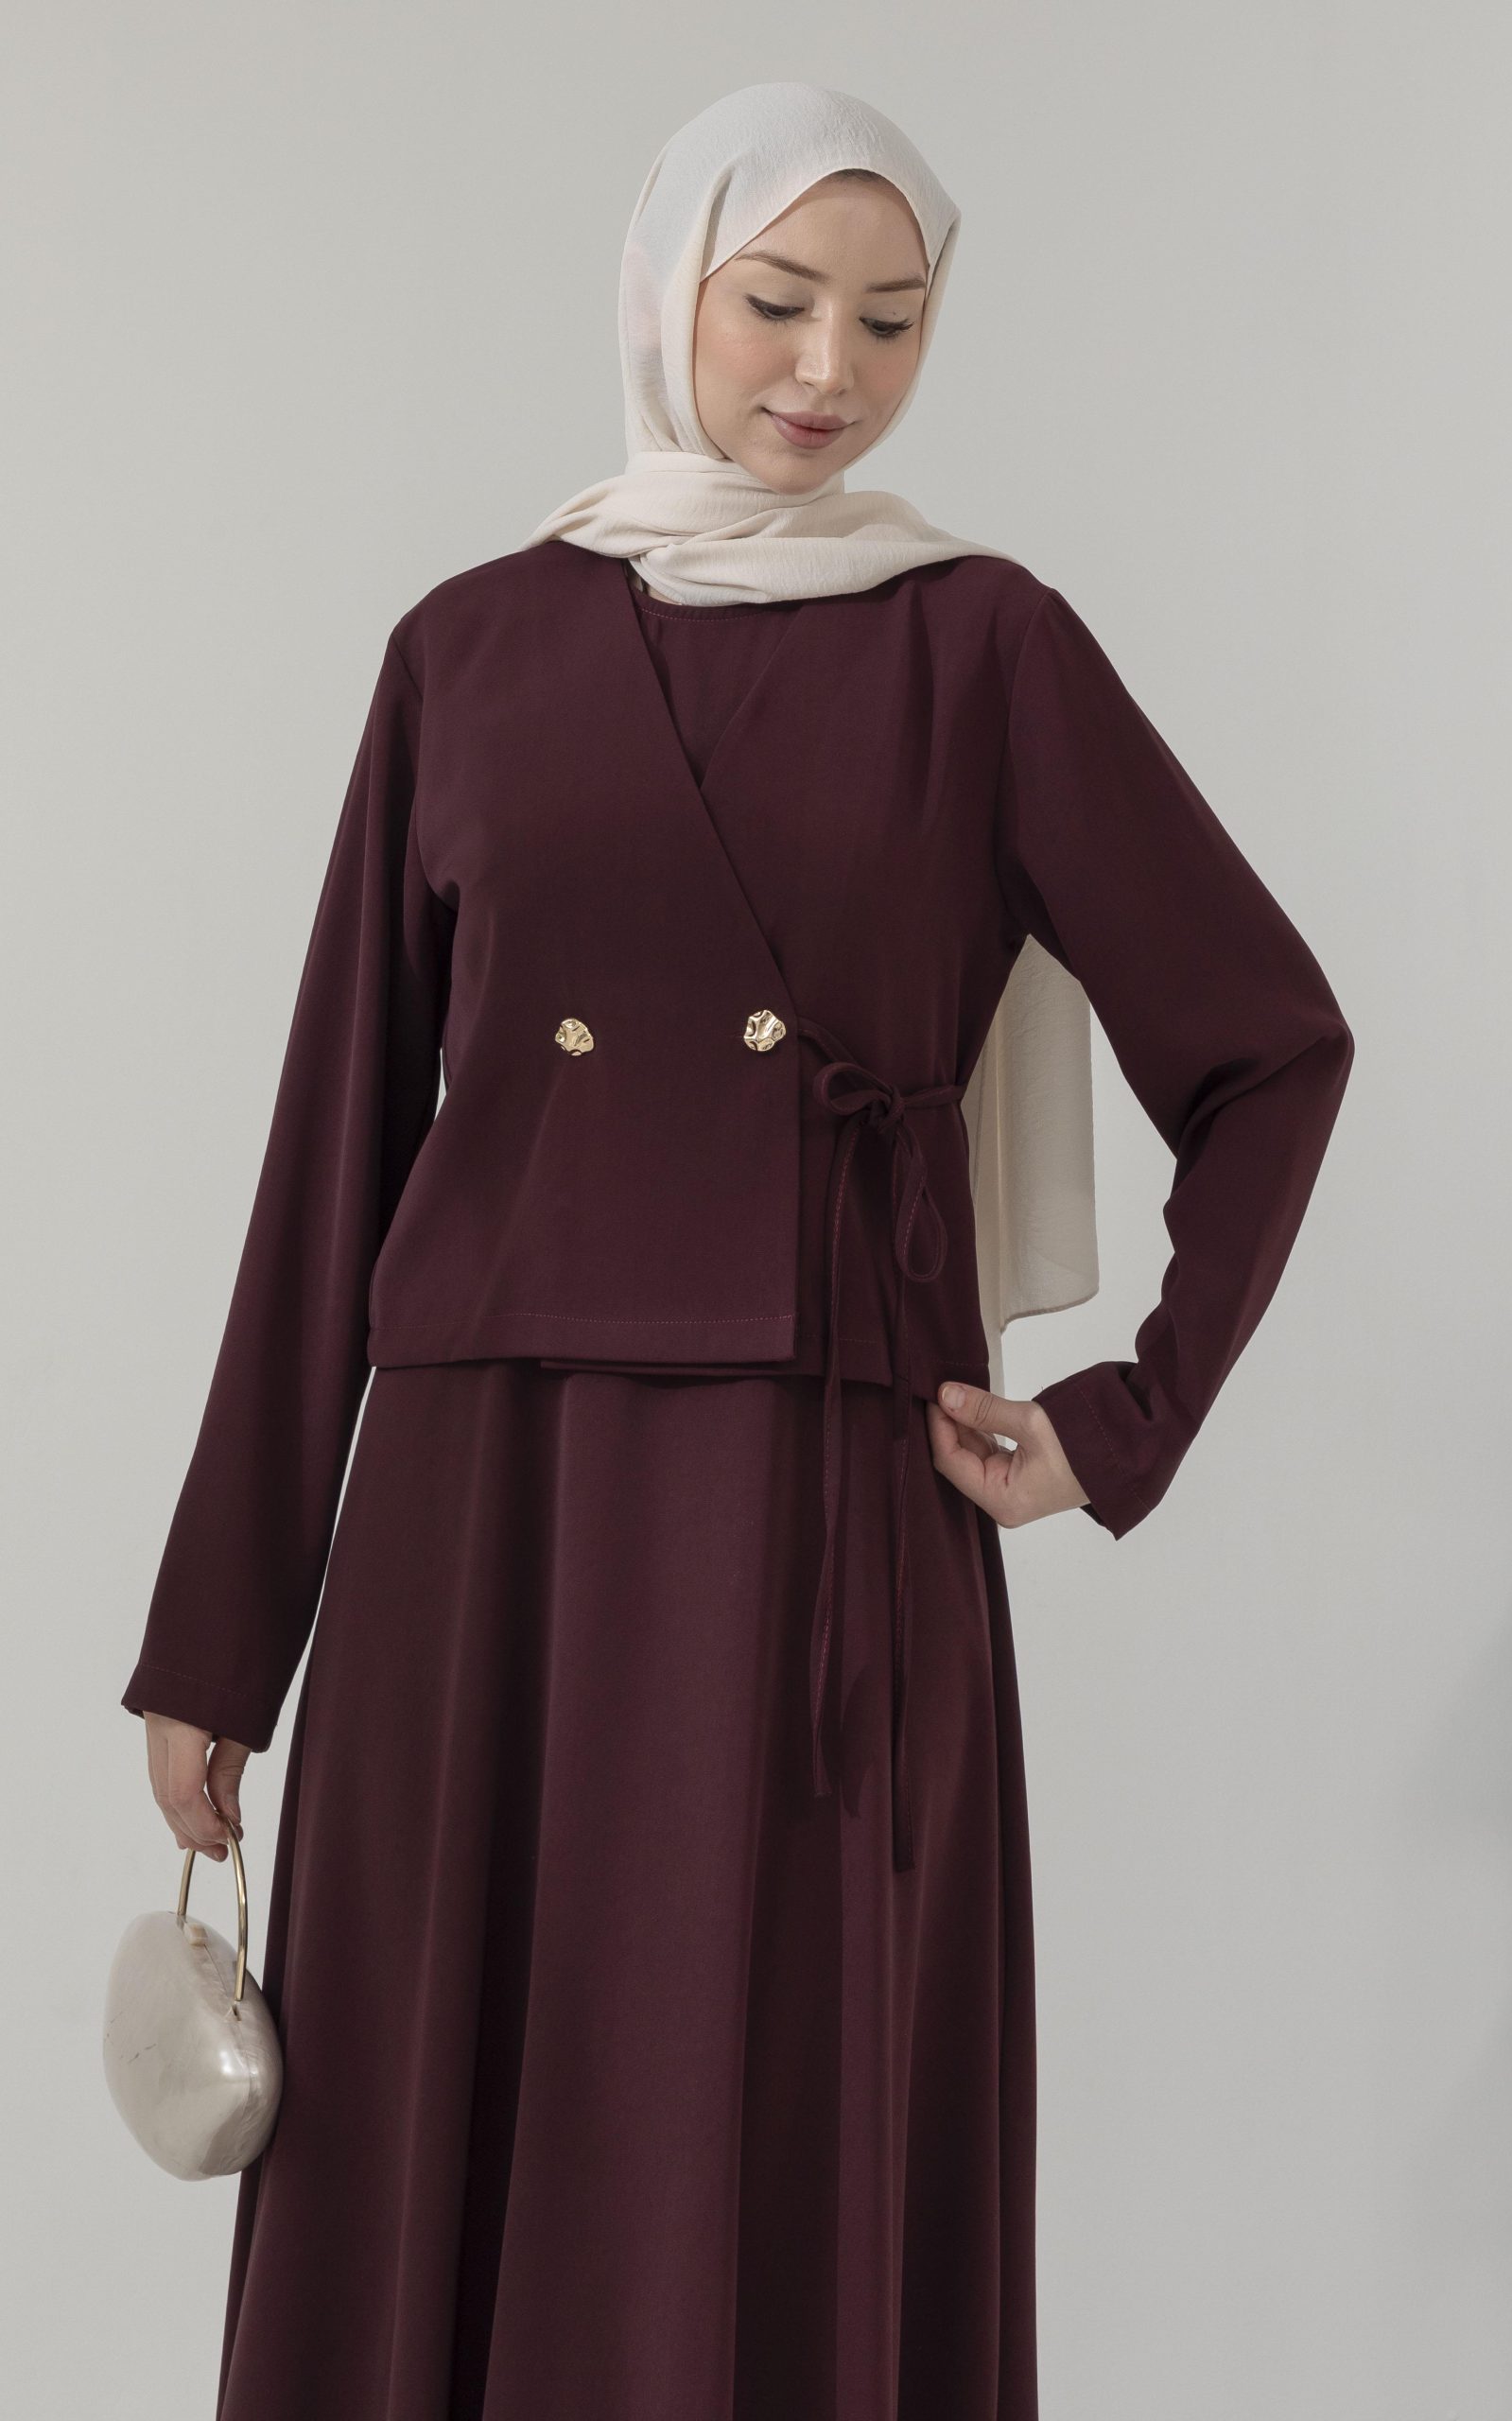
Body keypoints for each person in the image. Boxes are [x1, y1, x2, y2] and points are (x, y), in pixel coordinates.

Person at [122, 79, 1354, 2421]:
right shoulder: (469, 648)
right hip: (478, 1525)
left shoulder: (987, 645)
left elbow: (1269, 1046)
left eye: (890, 320)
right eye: (776, 300)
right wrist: (221, 1633)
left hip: (813, 1515)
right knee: (443, 2108)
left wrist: (1124, 1415)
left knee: (759, 2115)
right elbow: (333, 1159)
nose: (827, 368)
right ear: (665, 289)